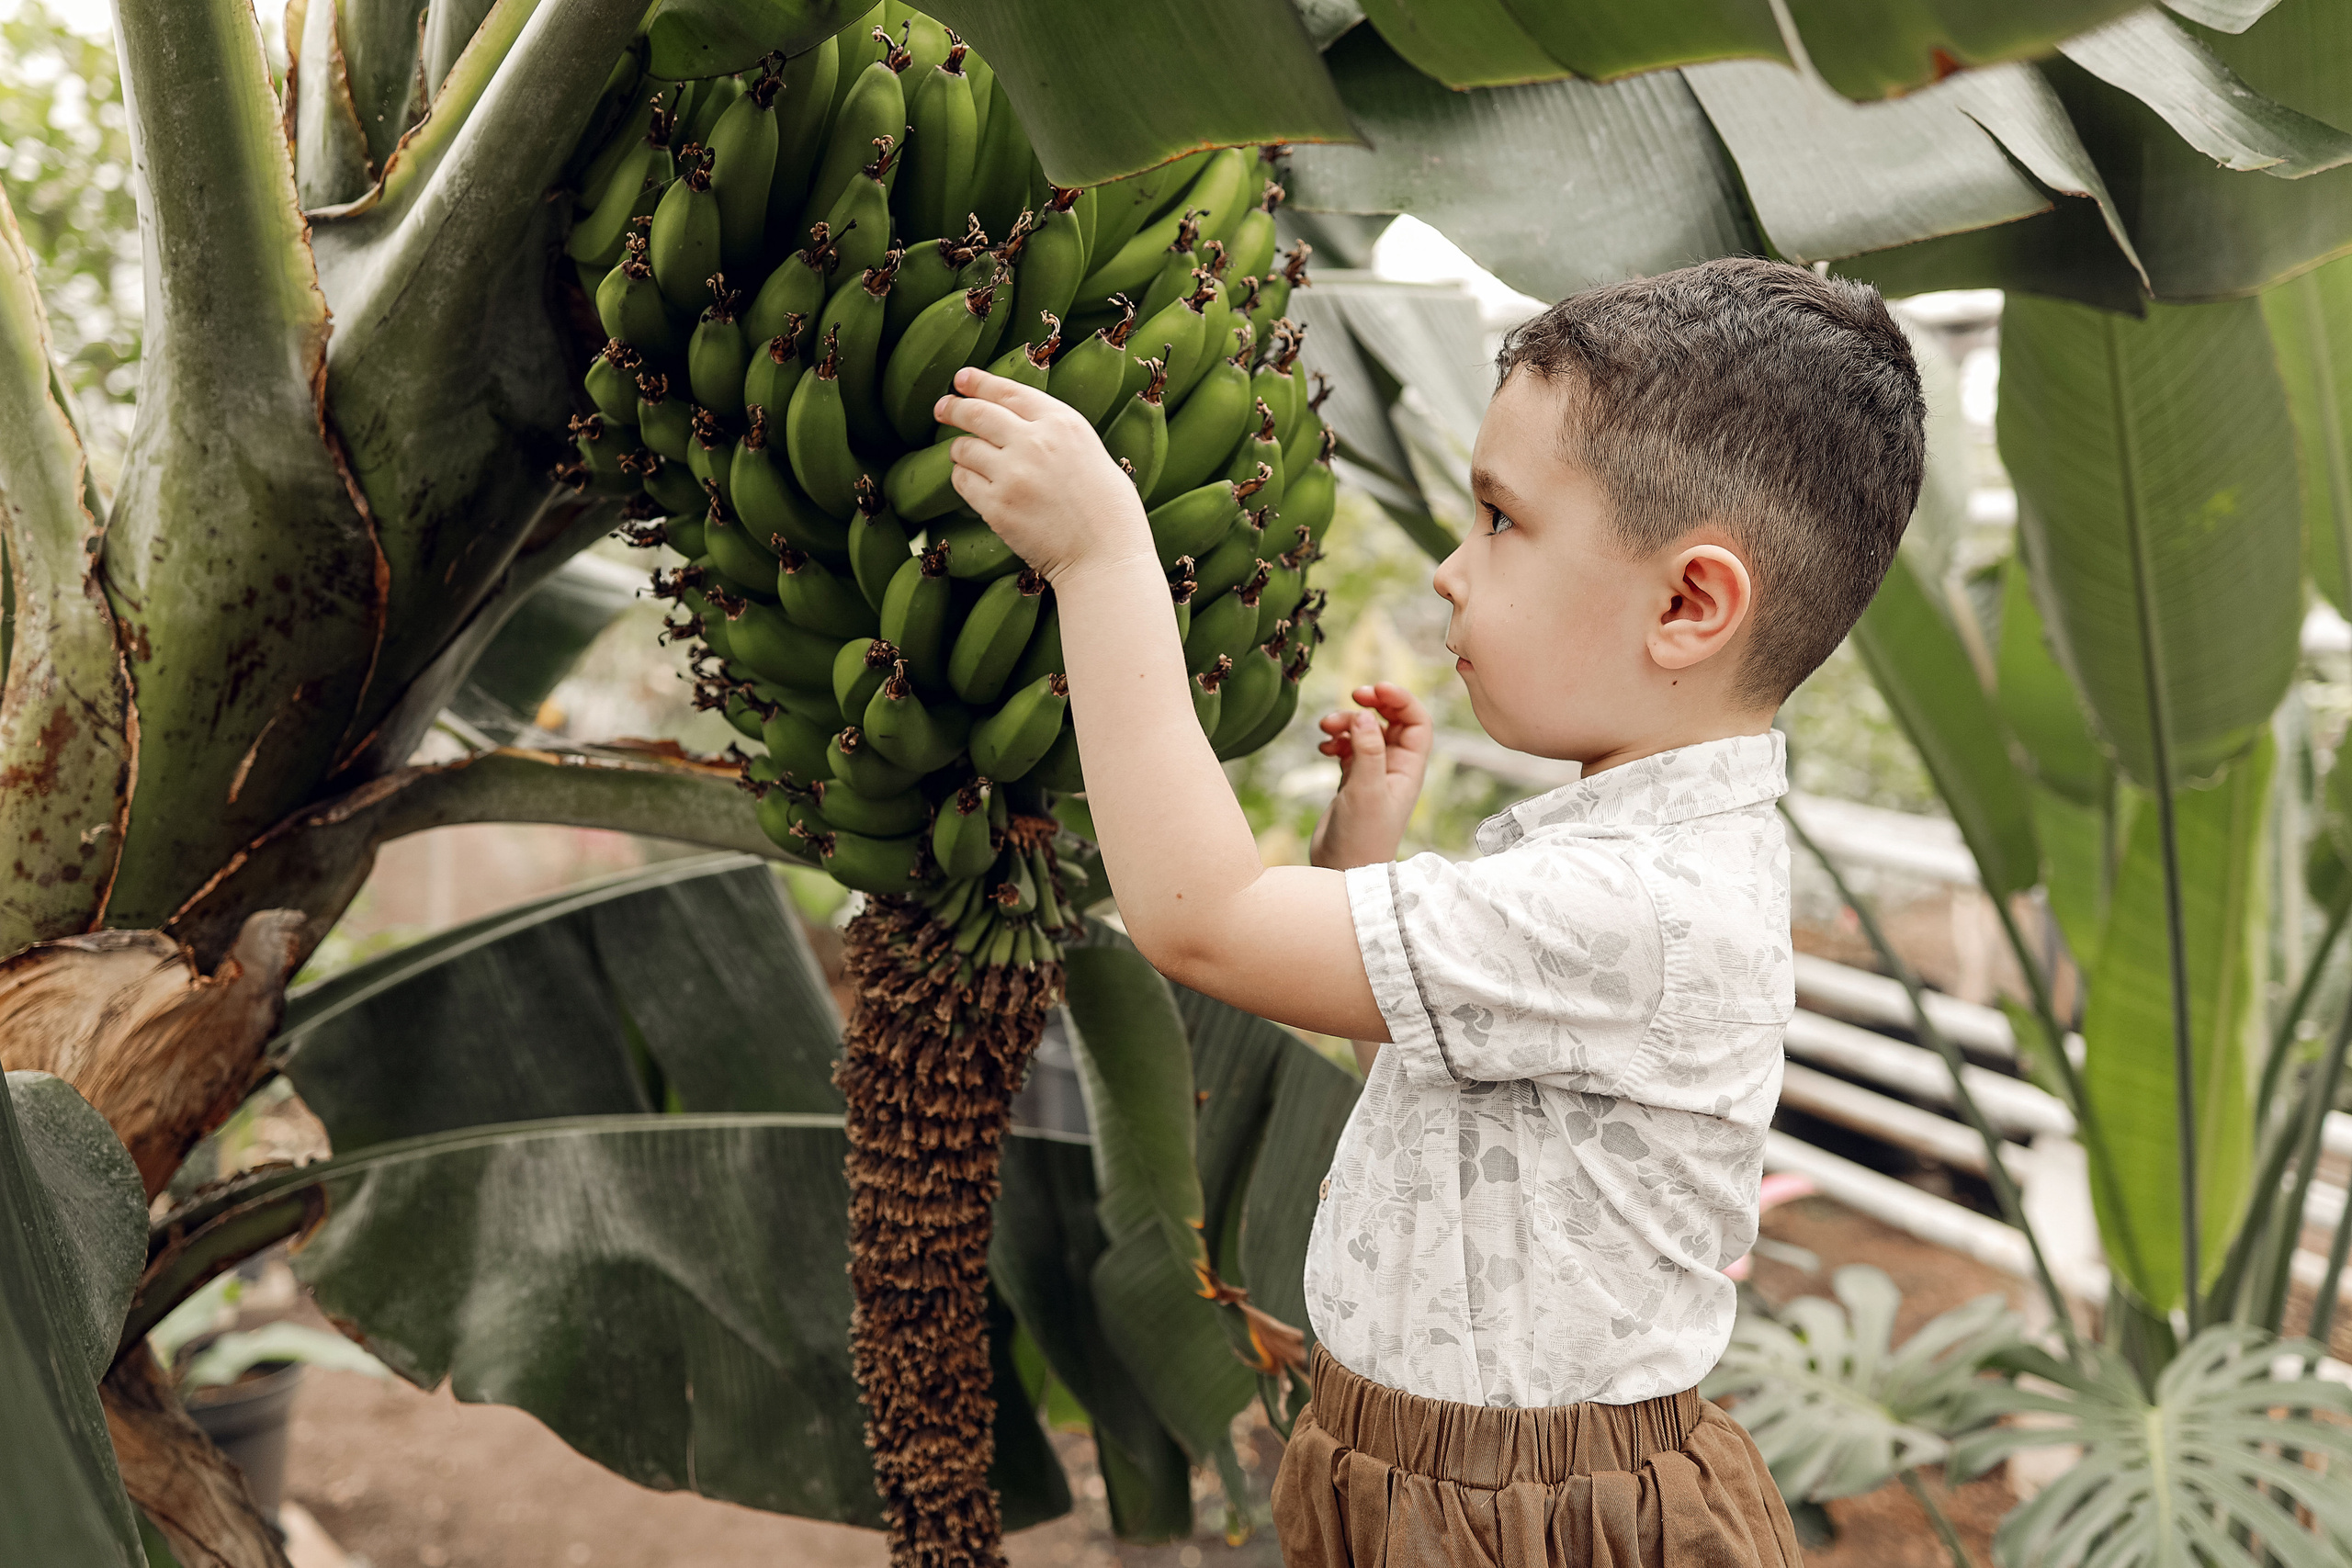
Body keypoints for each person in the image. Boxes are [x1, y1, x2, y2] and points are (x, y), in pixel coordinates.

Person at [935, 255, 1926, 1567]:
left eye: (1502, 522)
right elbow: (1444, 1095)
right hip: (1414, 1476)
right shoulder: (1623, 869)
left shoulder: (1631, 904)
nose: (1455, 572)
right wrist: (1364, 856)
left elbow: (1201, 922)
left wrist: (1100, 556)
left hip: (1526, 1525)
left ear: (1689, 605)